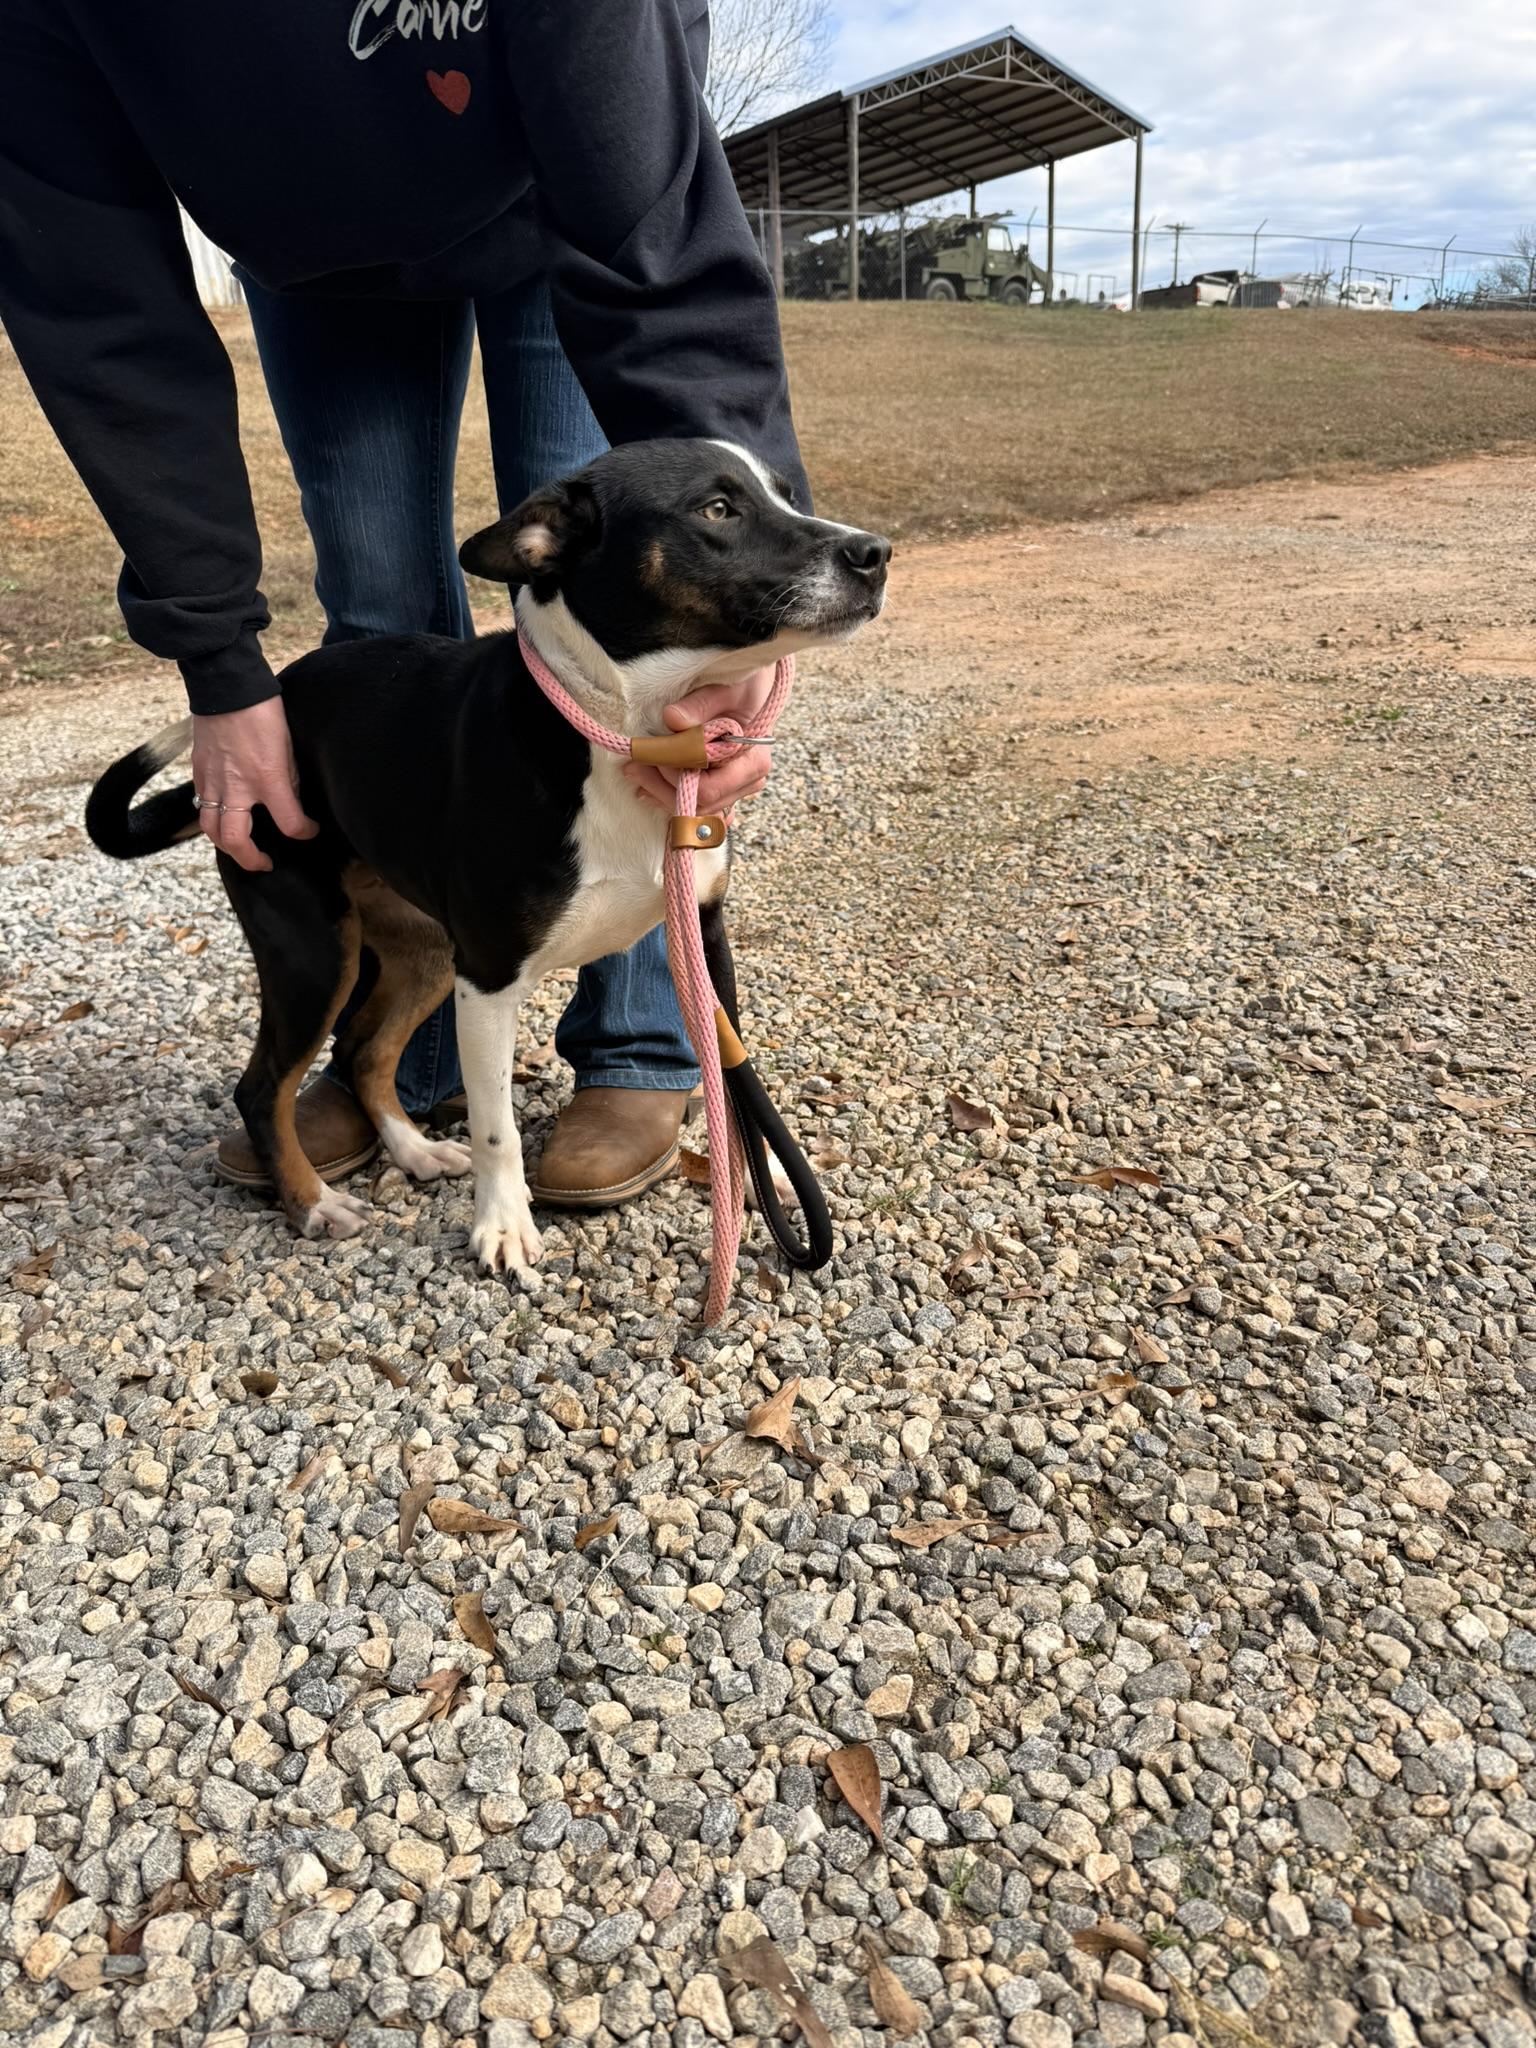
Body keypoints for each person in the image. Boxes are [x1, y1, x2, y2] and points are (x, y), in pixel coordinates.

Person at [0, 0, 806, 1210]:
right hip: (318, 256)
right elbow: (99, 316)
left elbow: (657, 252)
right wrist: (221, 668)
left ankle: (637, 1046)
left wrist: (738, 625)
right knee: (379, 611)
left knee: (622, 649)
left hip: (569, 189)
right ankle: (408, 1050)